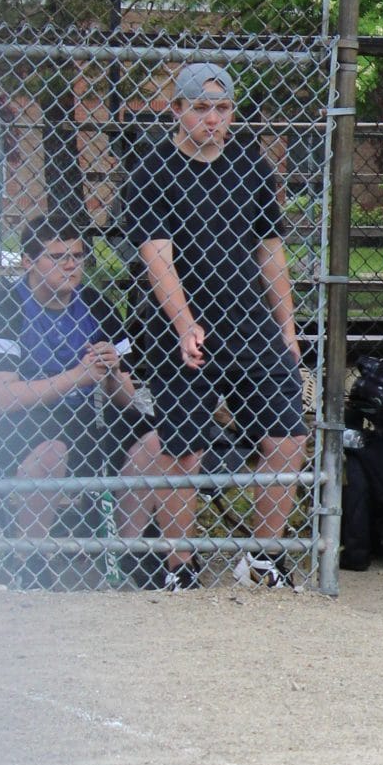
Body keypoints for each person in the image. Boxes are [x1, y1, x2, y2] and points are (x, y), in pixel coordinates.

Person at [118, 60, 307, 592]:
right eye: (200, 107)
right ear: (177, 110)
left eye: (222, 109)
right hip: (178, 328)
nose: (212, 119)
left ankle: (263, 558)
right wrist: (184, 325)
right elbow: (158, 257)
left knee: (288, 436)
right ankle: (182, 565)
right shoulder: (152, 169)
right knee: (184, 446)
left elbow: (270, 249)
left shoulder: (249, 165)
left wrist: (287, 328)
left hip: (248, 321)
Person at [0, 219, 165, 579]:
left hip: (85, 414)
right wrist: (77, 377)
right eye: (57, 256)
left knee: (153, 440)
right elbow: (3, 398)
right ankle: (29, 560)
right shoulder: (2, 304)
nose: (70, 265)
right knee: (53, 449)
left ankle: (127, 553)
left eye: (78, 256)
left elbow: (127, 396)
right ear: (28, 262)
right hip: (22, 420)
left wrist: (111, 373)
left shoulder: (96, 304)